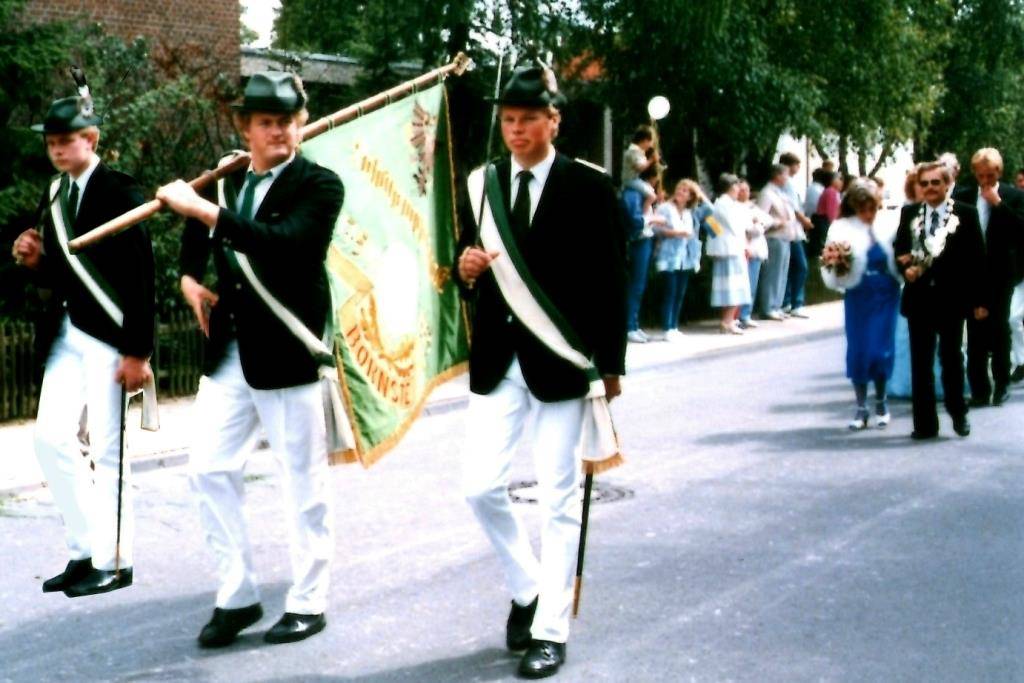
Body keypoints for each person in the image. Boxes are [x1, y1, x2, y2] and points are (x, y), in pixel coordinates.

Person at [155, 72, 344, 647]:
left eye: (287, 121)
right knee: (207, 468)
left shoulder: (320, 185)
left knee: (302, 483)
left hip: (288, 350)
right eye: (266, 122)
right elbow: (197, 236)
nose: (278, 132)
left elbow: (285, 245)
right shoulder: (227, 179)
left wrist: (204, 211)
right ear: (247, 128)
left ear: (301, 126)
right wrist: (189, 277)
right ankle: (237, 595)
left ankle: (309, 601)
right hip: (231, 351)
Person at [454, 63, 626, 679]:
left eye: (529, 118)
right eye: (508, 119)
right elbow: (464, 259)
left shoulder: (589, 185)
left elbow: (611, 279)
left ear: (554, 120)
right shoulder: (481, 183)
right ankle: (527, 588)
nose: (517, 129)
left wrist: (611, 365)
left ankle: (550, 630)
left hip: (560, 360)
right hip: (498, 360)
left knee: (558, 498)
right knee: (479, 486)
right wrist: (465, 269)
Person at [12, 90, 154, 597]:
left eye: (66, 140)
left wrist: (138, 352)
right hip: (70, 331)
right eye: (51, 141)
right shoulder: (54, 193)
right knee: (50, 440)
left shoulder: (120, 190)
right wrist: (36, 262)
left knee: (111, 450)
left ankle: (114, 561)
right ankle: (84, 549)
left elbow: (140, 274)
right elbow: (64, 273)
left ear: (91, 140)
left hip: (112, 336)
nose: (57, 149)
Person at [894, 161, 986, 439]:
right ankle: (925, 424)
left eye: (936, 182)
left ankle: (958, 412)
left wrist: (980, 301)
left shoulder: (966, 213)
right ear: (918, 187)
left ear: (947, 184)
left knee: (951, 358)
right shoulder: (910, 213)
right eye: (925, 183)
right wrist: (905, 268)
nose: (930, 188)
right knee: (921, 363)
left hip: (952, 300)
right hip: (919, 300)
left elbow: (978, 259)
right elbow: (900, 249)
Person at [820, 179, 901, 429]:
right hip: (859, 294)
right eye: (863, 209)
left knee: (881, 350)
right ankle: (861, 406)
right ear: (854, 207)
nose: (869, 214)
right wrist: (837, 264)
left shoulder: (889, 223)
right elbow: (830, 264)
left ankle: (882, 401)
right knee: (860, 350)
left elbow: (901, 254)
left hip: (887, 292)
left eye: (873, 208)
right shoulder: (840, 228)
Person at [952, 148, 1024, 407]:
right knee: (975, 334)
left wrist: (998, 205)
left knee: (1000, 329)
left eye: (990, 175)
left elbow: (1020, 231)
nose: (985, 180)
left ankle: (1001, 384)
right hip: (971, 274)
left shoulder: (1014, 196)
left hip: (1001, 274)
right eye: (980, 175)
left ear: (999, 172)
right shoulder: (963, 197)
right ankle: (980, 390)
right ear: (974, 173)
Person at [652, 179, 705, 341]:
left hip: (685, 257)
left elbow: (708, 212)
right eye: (679, 188)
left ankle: (674, 326)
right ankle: (666, 327)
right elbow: (655, 228)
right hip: (668, 255)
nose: (680, 192)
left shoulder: (689, 213)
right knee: (670, 291)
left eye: (684, 190)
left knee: (680, 293)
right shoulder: (665, 208)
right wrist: (675, 233)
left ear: (690, 197)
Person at [622, 165, 663, 342]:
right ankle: (629, 326)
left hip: (643, 240)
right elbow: (635, 221)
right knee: (635, 284)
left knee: (639, 285)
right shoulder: (633, 193)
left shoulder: (641, 193)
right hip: (637, 241)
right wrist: (652, 218)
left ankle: (634, 323)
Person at [707, 174, 752, 334]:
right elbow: (737, 226)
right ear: (732, 187)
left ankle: (728, 320)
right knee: (733, 286)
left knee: (729, 287)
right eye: (737, 186)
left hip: (728, 248)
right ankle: (727, 321)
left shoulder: (721, 203)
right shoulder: (725, 204)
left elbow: (713, 228)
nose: (739, 189)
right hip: (730, 249)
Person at [756, 164, 799, 320]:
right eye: (785, 174)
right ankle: (768, 306)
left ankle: (776, 305)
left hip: (785, 236)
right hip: (774, 236)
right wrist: (776, 223)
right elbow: (760, 216)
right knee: (772, 273)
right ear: (777, 175)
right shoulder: (767, 193)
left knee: (782, 273)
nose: (787, 178)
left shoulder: (780, 192)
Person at [779, 152, 813, 318]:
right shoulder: (787, 184)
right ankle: (796, 302)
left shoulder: (788, 183)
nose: (798, 168)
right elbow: (793, 207)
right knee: (800, 266)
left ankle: (787, 301)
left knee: (791, 266)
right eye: (797, 165)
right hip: (793, 230)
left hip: (793, 230)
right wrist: (804, 220)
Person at [737, 179, 770, 329]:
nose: (744, 192)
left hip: (756, 250)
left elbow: (767, 221)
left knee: (752, 284)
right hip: (743, 250)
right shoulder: (735, 208)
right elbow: (750, 230)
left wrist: (759, 224)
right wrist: (757, 226)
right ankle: (739, 315)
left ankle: (746, 314)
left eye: (746, 189)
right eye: (741, 189)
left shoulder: (753, 207)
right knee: (743, 284)